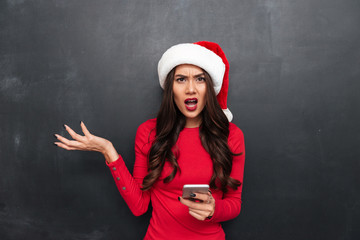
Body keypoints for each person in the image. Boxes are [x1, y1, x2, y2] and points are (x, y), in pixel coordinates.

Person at [54, 41, 245, 240]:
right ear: (170, 87)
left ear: (210, 87)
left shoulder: (231, 135)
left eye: (200, 79)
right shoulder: (149, 132)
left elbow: (234, 202)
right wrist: (108, 152)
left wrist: (215, 209)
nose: (191, 89)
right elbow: (139, 207)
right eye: (181, 79)